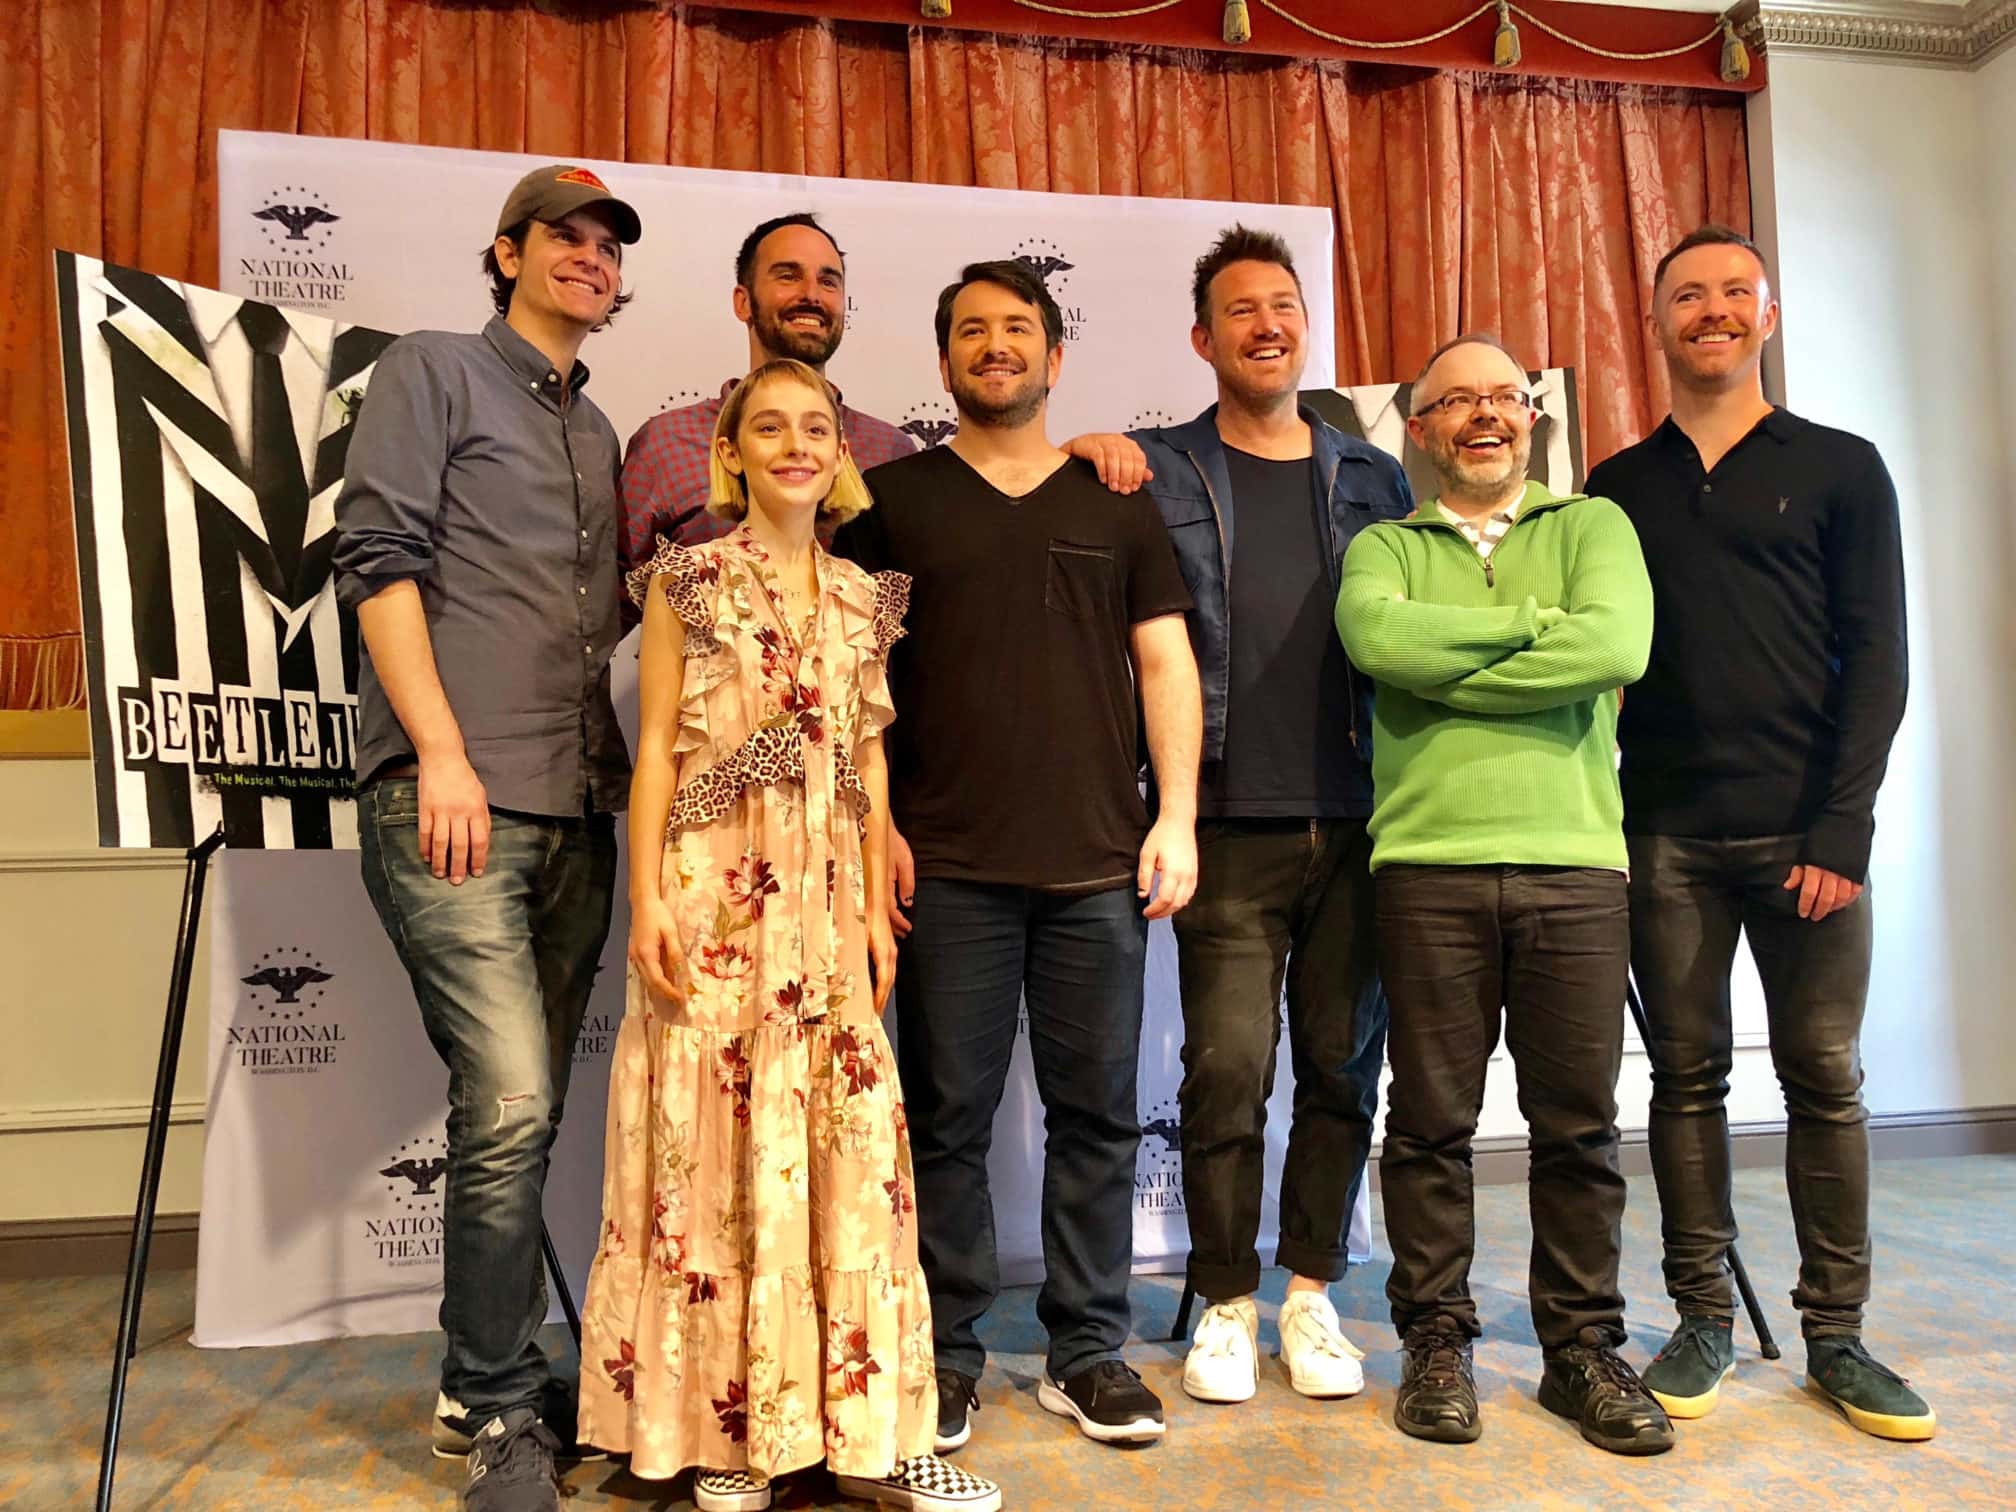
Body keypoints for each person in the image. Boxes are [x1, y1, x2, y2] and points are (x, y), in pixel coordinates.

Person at [577, 360, 1001, 1512]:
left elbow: (864, 758)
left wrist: (871, 897)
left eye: (815, 425)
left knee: (850, 1149)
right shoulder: (689, 582)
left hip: (825, 910)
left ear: (842, 452)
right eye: (769, 426)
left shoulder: (869, 599)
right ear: (734, 451)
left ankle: (861, 1433)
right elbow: (656, 746)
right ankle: (721, 1438)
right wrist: (647, 901)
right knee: (707, 1148)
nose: (796, 444)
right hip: (713, 899)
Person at [833, 261, 1201, 1452]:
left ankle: (1088, 1352)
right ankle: (943, 1354)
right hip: (944, 872)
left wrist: (1177, 815)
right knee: (945, 1120)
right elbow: (855, 688)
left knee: (1098, 1117)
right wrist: (878, 824)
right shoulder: (889, 504)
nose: (998, 347)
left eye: (1019, 329)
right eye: (973, 333)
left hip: (1098, 865)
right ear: (944, 363)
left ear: (1055, 355)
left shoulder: (1118, 498)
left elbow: (1165, 667)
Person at [1585, 225, 1928, 1439]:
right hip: (1666, 834)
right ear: (1660, 318)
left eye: (1735, 292)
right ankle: (1702, 1321)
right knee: (1685, 1081)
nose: (1712, 311)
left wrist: (1844, 829)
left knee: (1825, 1081)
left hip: (1807, 839)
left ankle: (1837, 1335)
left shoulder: (1843, 467)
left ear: (1766, 317)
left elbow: (1879, 657)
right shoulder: (1617, 487)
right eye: (1689, 294)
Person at [333, 164, 641, 1512]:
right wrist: (442, 753)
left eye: (606, 246)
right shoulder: (431, 370)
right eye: (562, 238)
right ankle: (491, 1407)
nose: (588, 258)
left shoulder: (601, 429)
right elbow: (378, 562)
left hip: (579, 812)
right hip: (449, 796)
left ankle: (503, 1368)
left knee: (529, 1109)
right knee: (513, 1095)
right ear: (504, 252)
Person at [1336, 333, 1673, 1456]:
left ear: (1531, 417)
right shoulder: (1383, 545)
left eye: (1504, 397)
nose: (1484, 415)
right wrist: (1541, 632)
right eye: (1455, 402)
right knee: (1431, 1124)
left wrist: (1459, 664)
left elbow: (1617, 644)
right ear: (1417, 428)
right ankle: (1438, 1341)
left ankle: (1582, 1349)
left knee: (1578, 1126)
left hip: (1577, 867)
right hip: (1425, 868)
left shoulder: (1593, 527)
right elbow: (1377, 639)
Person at [1096, 225, 1410, 1405]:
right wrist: (1091, 444)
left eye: (1284, 305)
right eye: (1241, 309)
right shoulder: (1159, 468)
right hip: (1225, 816)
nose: (1267, 325)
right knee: (1228, 1070)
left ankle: (1314, 1297)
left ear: (1303, 326)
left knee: (1341, 1066)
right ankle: (1226, 1301)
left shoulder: (1371, 474)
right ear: (1203, 337)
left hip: (1363, 813)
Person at [616, 212, 917, 593]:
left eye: (828, 280)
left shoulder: (890, 452)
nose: (810, 294)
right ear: (743, 302)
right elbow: (613, 602)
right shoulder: (667, 443)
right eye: (788, 275)